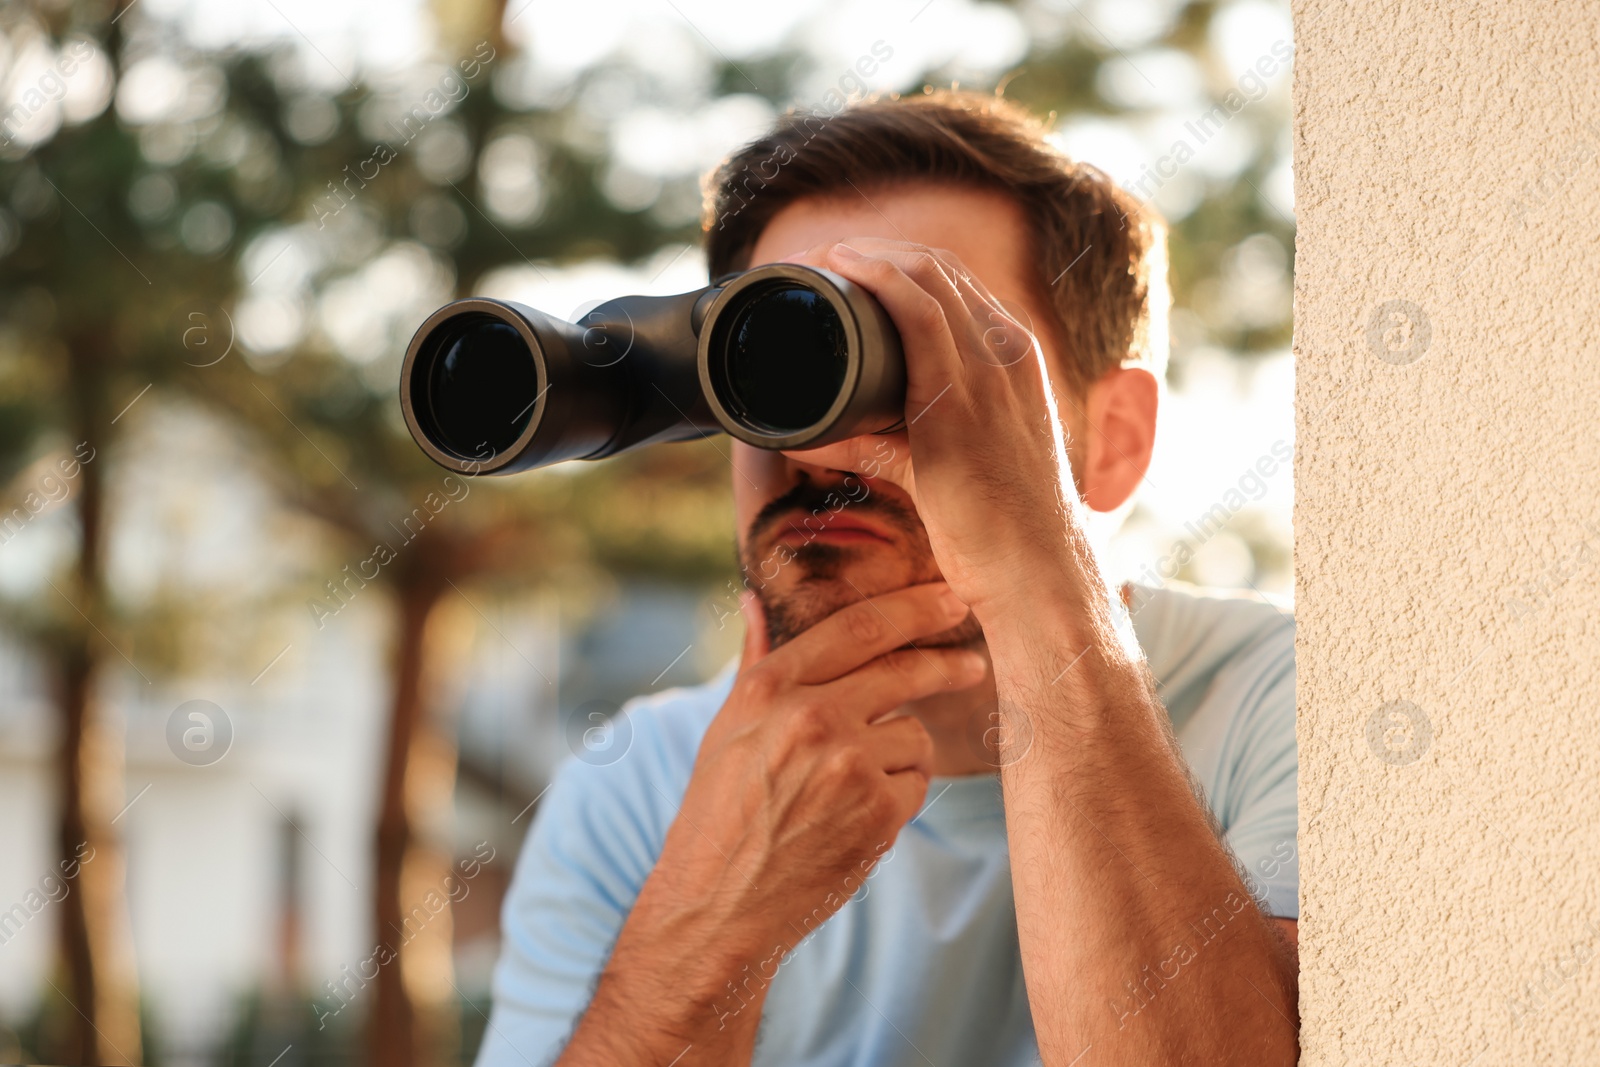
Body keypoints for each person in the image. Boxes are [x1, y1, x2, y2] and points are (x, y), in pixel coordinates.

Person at [475, 90, 1299, 1066]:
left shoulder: (1279, 704)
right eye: (770, 360)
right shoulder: (640, 786)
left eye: (907, 354)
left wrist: (1035, 579)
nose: (825, 447)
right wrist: (705, 932)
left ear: (1112, 440)